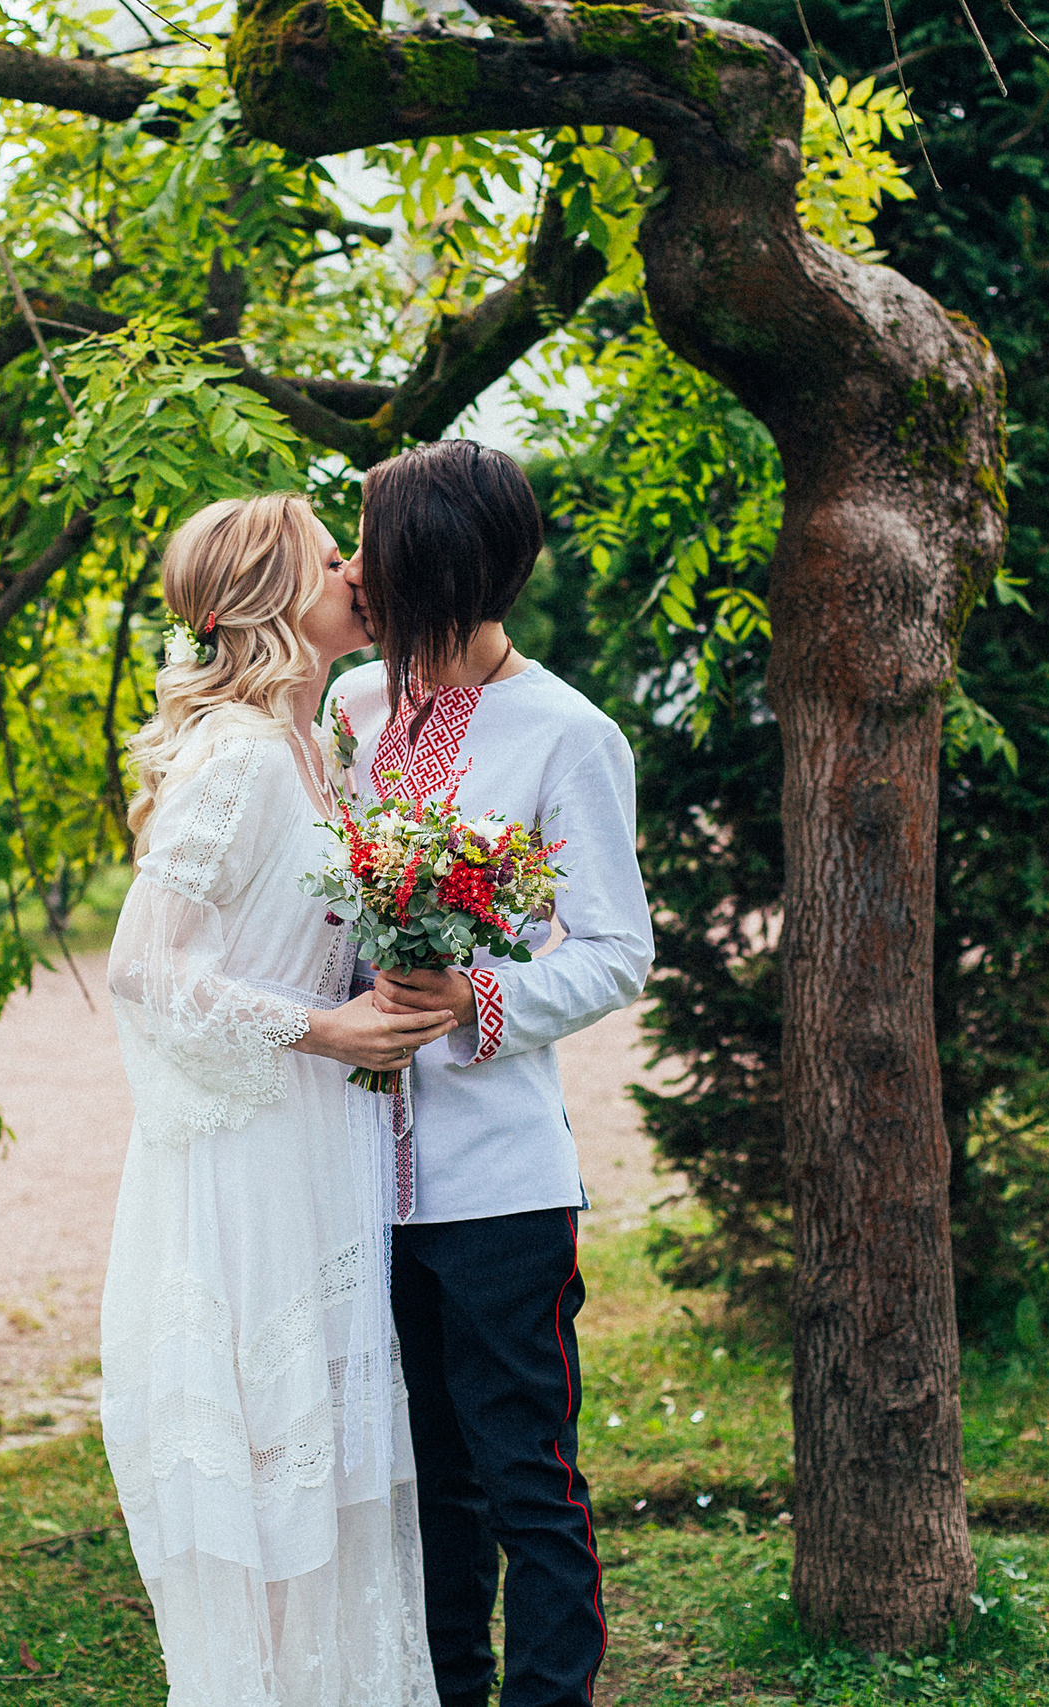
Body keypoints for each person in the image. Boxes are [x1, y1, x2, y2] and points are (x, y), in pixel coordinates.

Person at [101, 493, 451, 1707]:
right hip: (253, 1152)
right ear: (265, 600)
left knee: (338, 1474)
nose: (360, 570)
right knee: (271, 1476)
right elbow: (145, 966)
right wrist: (328, 1028)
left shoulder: (320, 747)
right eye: (329, 556)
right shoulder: (242, 755)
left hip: (322, 1142)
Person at [330, 441, 654, 1707]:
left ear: (432, 570)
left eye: (373, 547)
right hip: (354, 1180)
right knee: (420, 1483)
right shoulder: (352, 710)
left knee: (526, 1477)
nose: (354, 570)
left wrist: (479, 997)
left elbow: (619, 950)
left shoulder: (570, 734)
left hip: (501, 1187)